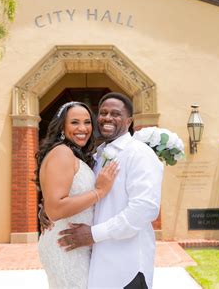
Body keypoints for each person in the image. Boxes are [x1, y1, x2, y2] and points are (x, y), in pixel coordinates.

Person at [58, 93, 164, 289]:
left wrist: (94, 234)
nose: (107, 118)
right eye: (103, 113)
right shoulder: (98, 154)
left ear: (129, 121)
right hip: (98, 264)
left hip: (127, 266)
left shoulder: (139, 154)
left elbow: (144, 209)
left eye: (116, 113)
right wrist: (49, 209)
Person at [37, 101, 119, 289]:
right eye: (74, 122)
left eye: (87, 122)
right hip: (65, 245)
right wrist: (99, 192)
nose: (83, 128)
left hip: (76, 244)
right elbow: (55, 209)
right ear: (62, 127)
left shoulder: (72, 154)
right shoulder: (62, 153)